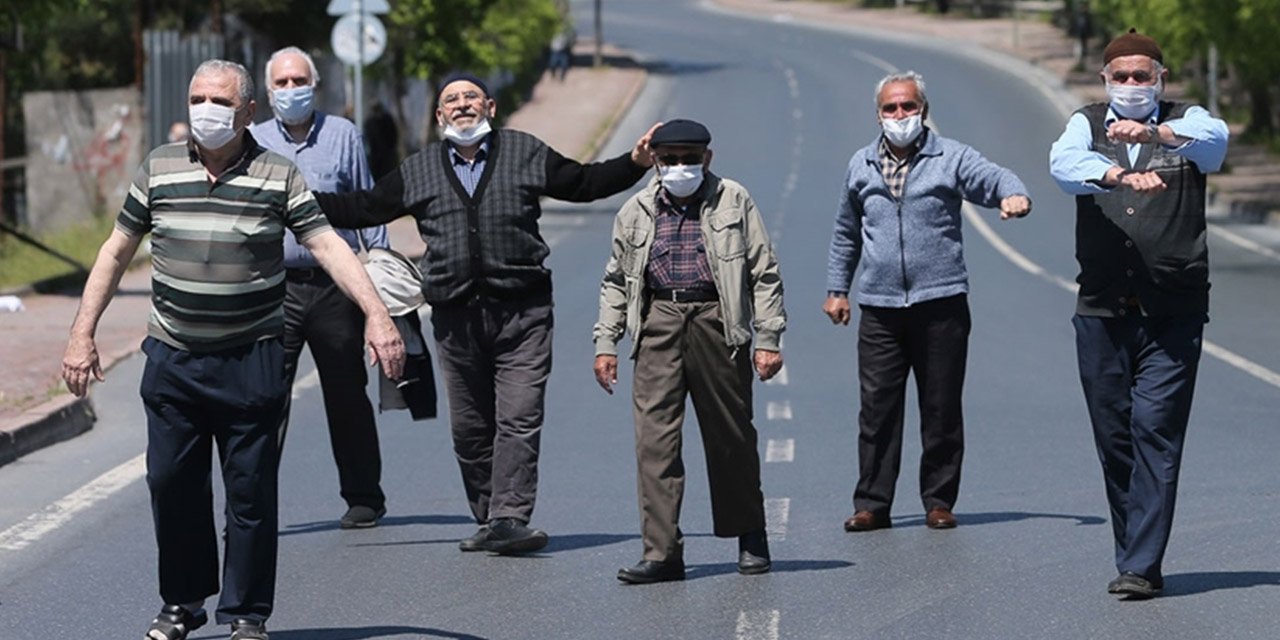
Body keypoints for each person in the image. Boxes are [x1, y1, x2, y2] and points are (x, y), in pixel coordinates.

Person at [59, 59, 404, 640]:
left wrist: (377, 315)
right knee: (171, 484)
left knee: (249, 493)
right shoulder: (159, 167)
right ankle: (182, 601)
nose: (205, 111)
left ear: (248, 112)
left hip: (251, 359)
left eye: (219, 102)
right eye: (197, 98)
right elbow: (116, 251)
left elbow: (327, 246)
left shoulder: (278, 174)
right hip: (173, 357)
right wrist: (80, 333)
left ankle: (246, 613)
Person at [313, 72, 659, 555]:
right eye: (450, 99)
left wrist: (635, 163)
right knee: (471, 429)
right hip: (456, 320)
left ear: (490, 107)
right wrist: (291, 199)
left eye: (470, 97)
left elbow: (584, 183)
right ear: (438, 116)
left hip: (524, 312)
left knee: (518, 418)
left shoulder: (524, 152)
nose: (461, 105)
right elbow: (362, 207)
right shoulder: (419, 169)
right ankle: (488, 516)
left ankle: (509, 516)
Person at [1049, 29, 1228, 600]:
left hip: (1173, 311)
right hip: (1101, 308)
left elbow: (1214, 141)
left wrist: (1154, 133)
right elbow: (1063, 164)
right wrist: (1117, 174)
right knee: (1115, 436)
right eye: (1120, 76)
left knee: (1156, 430)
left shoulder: (1186, 120)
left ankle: (1141, 565)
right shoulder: (1086, 123)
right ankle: (1135, 553)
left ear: (1161, 79)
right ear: (1105, 81)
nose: (1130, 85)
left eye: (1141, 75)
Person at [824, 71, 1031, 534]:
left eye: (909, 107)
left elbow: (993, 176)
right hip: (879, 307)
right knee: (877, 409)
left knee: (940, 407)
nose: (900, 116)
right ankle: (872, 504)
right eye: (891, 108)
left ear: (923, 110)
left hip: (940, 302)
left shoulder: (949, 157)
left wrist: (1013, 193)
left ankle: (938, 500)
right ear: (877, 114)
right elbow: (845, 232)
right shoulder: (860, 165)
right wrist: (838, 289)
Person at [592, 119, 785, 584]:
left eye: (689, 159)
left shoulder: (733, 199)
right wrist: (606, 343)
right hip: (659, 321)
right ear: (655, 161)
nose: (680, 167)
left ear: (707, 159)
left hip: (717, 320)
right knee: (654, 443)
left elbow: (764, 272)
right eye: (671, 159)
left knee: (730, 434)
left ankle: (750, 534)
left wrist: (768, 338)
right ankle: (662, 553)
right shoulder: (635, 209)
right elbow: (616, 280)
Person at [251, 46, 392, 530]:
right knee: (264, 398)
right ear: (268, 92)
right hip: (274, 290)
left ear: (315, 84)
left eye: (299, 81)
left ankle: (364, 497)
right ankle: (252, 505)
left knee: (347, 393)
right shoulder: (251, 140)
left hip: (335, 287)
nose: (292, 90)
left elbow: (366, 203)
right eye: (282, 83)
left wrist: (380, 285)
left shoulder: (343, 135)